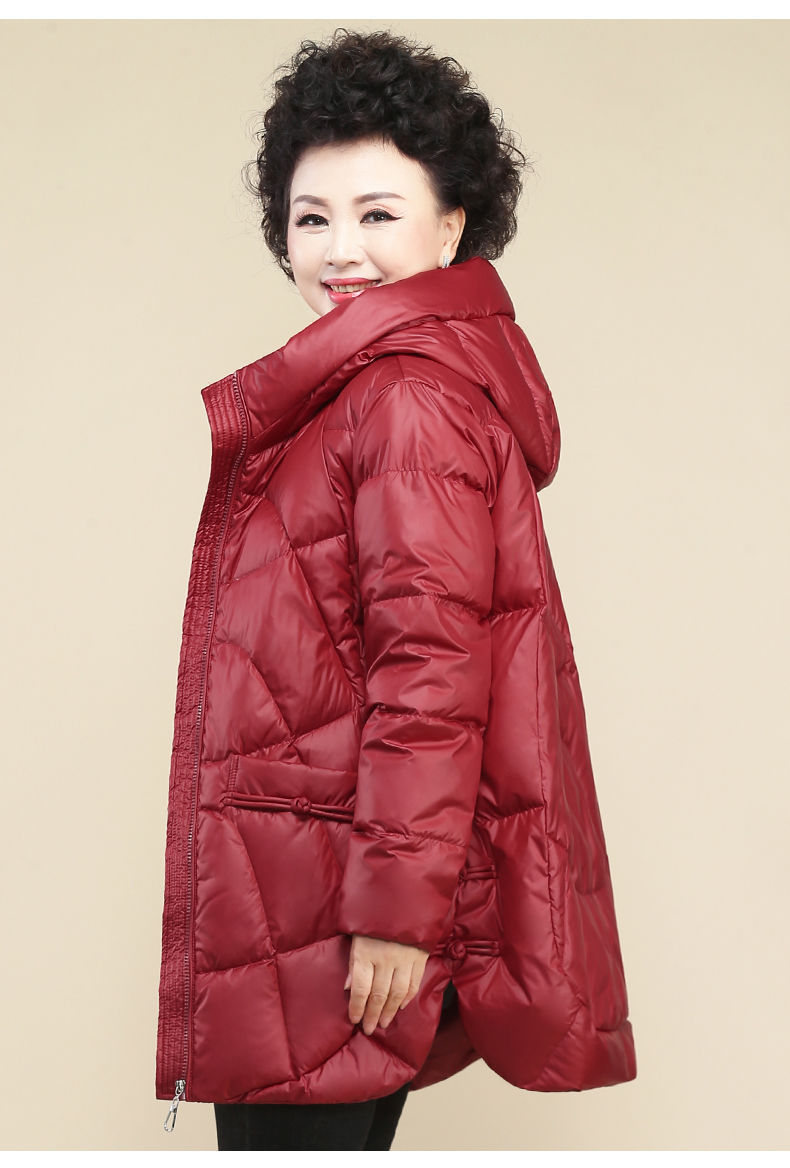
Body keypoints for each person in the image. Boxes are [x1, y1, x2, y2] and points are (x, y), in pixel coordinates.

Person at [155, 27, 637, 1152]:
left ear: (451, 226)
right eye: (311, 218)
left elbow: (430, 675)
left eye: (378, 214)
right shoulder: (368, 390)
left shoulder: (405, 400)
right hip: (301, 891)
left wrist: (397, 916)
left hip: (338, 908)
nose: (340, 251)